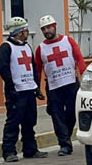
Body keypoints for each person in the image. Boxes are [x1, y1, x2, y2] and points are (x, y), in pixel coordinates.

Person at [34, 15, 86, 156]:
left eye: (49, 27)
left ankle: (66, 137)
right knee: (56, 116)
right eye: (43, 29)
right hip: (53, 87)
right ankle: (64, 144)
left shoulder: (67, 41)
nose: (47, 31)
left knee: (71, 114)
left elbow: (79, 59)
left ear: (55, 26)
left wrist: (85, 76)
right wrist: (37, 88)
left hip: (70, 83)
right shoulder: (41, 49)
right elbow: (38, 69)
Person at [0, 17, 47, 162]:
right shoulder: (6, 48)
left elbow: (33, 68)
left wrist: (36, 87)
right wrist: (12, 88)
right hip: (16, 93)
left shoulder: (27, 47)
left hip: (29, 90)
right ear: (18, 32)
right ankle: (9, 152)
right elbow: (4, 69)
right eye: (25, 30)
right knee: (13, 122)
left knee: (30, 122)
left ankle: (30, 149)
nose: (27, 33)